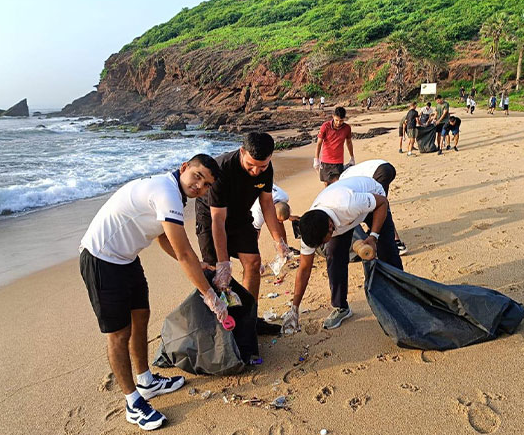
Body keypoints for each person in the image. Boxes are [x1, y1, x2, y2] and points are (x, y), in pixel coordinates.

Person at [79, 154, 224, 430]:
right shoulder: (166, 193)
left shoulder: (173, 193)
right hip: (101, 260)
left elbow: (162, 236)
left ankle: (145, 381)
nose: (199, 187)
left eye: (206, 185)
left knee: (141, 317)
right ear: (184, 168)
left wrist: (198, 263)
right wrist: (211, 298)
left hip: (126, 259)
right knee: (119, 334)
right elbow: (183, 254)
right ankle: (132, 402)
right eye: (197, 176)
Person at [195, 133, 290, 335]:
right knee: (214, 271)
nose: (256, 171)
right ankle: (221, 325)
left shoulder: (266, 169)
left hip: (240, 215)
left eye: (262, 167)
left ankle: (249, 318)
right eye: (250, 166)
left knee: (254, 263)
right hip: (211, 216)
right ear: (242, 152)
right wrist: (223, 264)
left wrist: (278, 241)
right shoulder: (222, 169)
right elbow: (218, 221)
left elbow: (266, 204)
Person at [282, 176, 404, 333]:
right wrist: (295, 308)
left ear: (331, 227)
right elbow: (304, 269)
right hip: (341, 215)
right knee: (333, 256)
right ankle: (341, 307)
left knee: (387, 250)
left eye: (321, 243)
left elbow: (382, 202)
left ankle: (401, 293)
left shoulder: (349, 204)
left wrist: (373, 236)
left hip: (373, 200)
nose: (320, 247)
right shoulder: (310, 228)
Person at [340, 159, 408, 254]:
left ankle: (397, 243)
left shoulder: (342, 181)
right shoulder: (351, 172)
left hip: (379, 172)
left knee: (380, 210)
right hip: (387, 167)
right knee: (380, 207)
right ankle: (384, 237)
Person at [314, 106, 354, 186]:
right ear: (333, 116)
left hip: (338, 161)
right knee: (326, 184)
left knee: (337, 184)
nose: (338, 123)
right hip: (325, 161)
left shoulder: (347, 128)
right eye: (336, 120)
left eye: (341, 121)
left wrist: (352, 157)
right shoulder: (325, 126)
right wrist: (316, 159)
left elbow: (349, 142)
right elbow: (319, 143)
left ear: (344, 118)